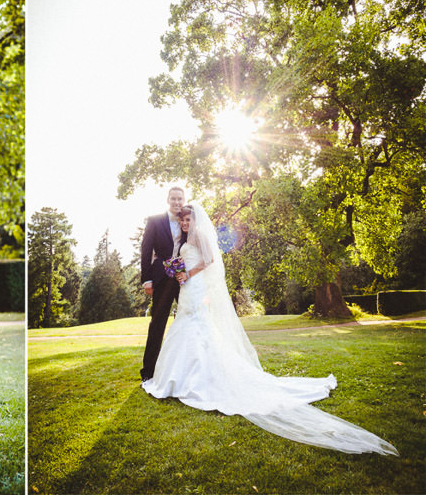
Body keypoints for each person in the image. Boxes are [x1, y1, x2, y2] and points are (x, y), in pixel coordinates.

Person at [142, 205, 398, 455]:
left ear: (195, 220)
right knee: (186, 328)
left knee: (198, 329)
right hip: (187, 290)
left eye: (188, 220)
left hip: (196, 288)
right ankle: (180, 377)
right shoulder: (185, 241)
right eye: (183, 220)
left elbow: (209, 261)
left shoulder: (199, 238)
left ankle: (197, 378)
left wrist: (188, 273)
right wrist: (178, 273)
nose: (186, 224)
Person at [138, 186, 186, 382]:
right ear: (168, 199)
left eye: (180, 199)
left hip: (183, 279)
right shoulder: (155, 221)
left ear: (184, 200)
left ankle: (184, 369)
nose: (177, 202)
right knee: (157, 323)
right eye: (173, 198)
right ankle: (148, 372)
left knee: (187, 321)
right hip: (161, 278)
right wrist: (146, 279)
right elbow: (146, 249)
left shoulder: (188, 220)